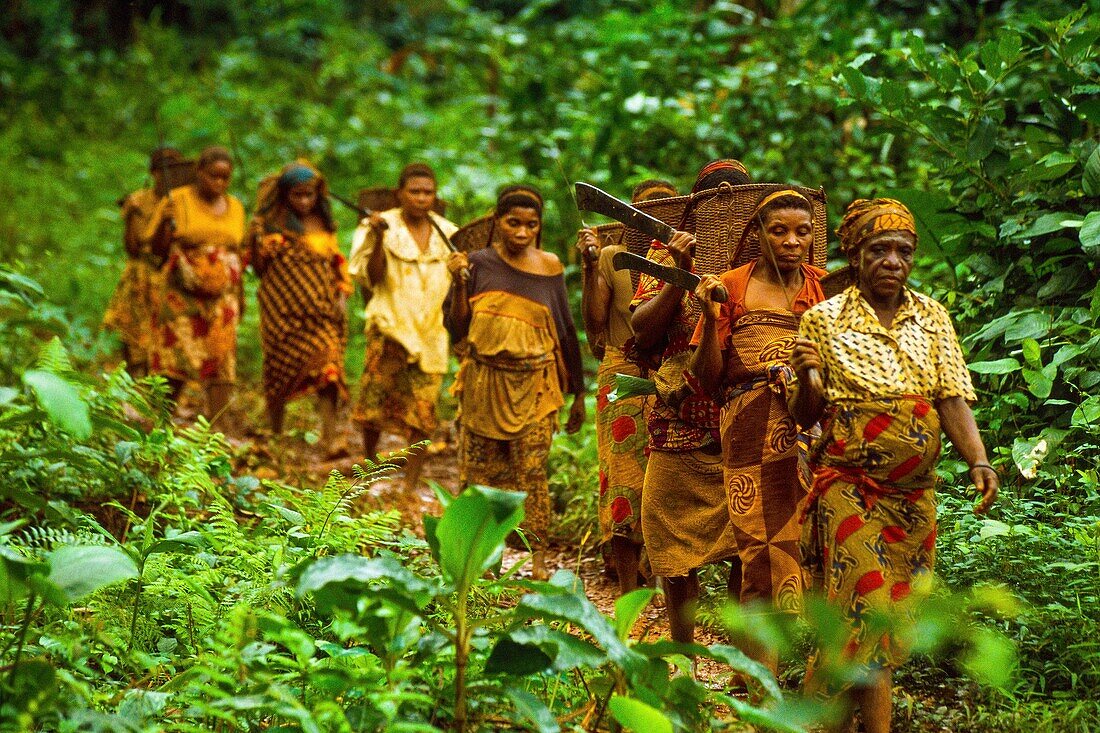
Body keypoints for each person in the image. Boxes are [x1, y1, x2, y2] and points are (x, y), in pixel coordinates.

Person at [788, 198, 999, 733]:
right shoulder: (823, 320)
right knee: (866, 604)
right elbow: (804, 415)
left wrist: (979, 460)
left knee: (887, 623)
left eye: (903, 251)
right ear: (854, 256)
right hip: (848, 489)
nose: (893, 261)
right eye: (879, 250)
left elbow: (950, 397)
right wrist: (810, 379)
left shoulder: (931, 316)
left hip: (913, 500)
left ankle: (820, 720)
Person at [690, 187, 827, 671]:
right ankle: (759, 682)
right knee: (760, 552)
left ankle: (808, 675)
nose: (792, 241)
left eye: (802, 232)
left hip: (814, 431)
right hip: (749, 430)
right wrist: (709, 319)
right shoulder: (730, 285)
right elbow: (707, 377)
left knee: (814, 549)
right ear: (758, 234)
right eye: (780, 231)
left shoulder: (824, 289)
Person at [630, 159, 752, 644]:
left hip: (743, 417)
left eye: (735, 193)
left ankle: (745, 660)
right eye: (712, 192)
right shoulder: (666, 249)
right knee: (672, 540)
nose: (723, 199)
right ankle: (683, 653)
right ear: (695, 203)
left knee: (749, 541)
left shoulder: (765, 257)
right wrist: (680, 272)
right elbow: (641, 330)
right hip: (679, 416)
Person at [446, 185, 586, 580]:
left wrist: (577, 395)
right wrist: (459, 283)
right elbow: (455, 326)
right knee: (478, 474)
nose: (522, 232)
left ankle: (537, 560)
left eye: (531, 224)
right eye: (513, 223)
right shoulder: (475, 264)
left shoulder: (551, 267)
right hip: (483, 382)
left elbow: (564, 330)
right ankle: (480, 559)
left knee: (532, 473)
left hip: (537, 385)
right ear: (496, 222)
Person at [577, 178, 678, 596]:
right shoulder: (613, 258)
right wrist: (587, 266)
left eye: (664, 208)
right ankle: (624, 582)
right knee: (621, 476)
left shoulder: (685, 256)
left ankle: (663, 577)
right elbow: (595, 325)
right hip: (623, 370)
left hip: (672, 376)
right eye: (642, 209)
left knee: (667, 476)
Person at [348, 163, 458, 491]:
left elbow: (458, 285)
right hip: (391, 326)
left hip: (431, 333)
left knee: (424, 411)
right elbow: (372, 277)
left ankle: (410, 483)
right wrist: (380, 237)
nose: (422, 198)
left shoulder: (448, 232)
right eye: (415, 192)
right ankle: (369, 464)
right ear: (400, 194)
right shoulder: (380, 225)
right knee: (374, 402)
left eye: (428, 192)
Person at [248, 162, 351, 457]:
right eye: (297, 196)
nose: (304, 202)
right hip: (282, 313)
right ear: (285, 195)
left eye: (309, 195)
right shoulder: (270, 223)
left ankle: (330, 439)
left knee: (329, 368)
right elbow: (258, 267)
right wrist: (257, 243)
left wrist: (342, 297)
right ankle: (275, 437)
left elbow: (337, 266)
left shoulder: (324, 224)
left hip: (321, 312)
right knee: (279, 372)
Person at [145, 145, 245, 423]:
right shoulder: (177, 200)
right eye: (213, 176)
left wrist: (241, 295)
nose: (219, 183)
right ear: (199, 173)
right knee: (176, 356)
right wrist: (165, 227)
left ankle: (217, 429)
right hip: (182, 292)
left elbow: (238, 249)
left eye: (225, 178)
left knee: (221, 358)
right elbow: (157, 249)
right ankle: (160, 421)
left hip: (223, 296)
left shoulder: (235, 206)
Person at [103, 147, 182, 376]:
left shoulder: (181, 200)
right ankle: (131, 381)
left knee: (166, 336)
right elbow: (132, 248)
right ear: (154, 173)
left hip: (170, 275)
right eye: (162, 170)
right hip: (141, 273)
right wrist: (131, 217)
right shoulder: (139, 200)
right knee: (132, 331)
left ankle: (156, 389)